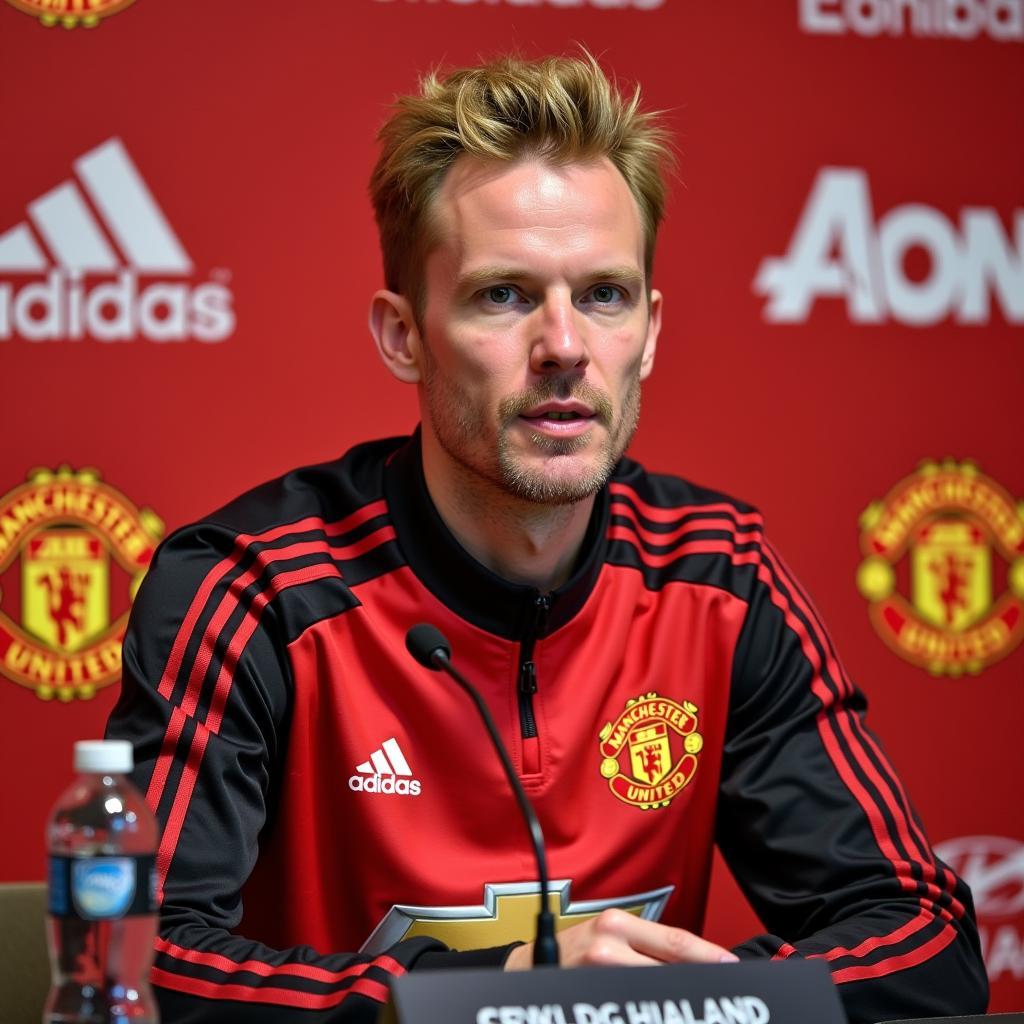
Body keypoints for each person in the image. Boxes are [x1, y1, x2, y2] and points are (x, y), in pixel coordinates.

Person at [106, 52, 988, 1024]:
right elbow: (134, 960)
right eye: (504, 295)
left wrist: (701, 1003)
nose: (564, 345)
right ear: (404, 334)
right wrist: (478, 1002)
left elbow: (924, 940)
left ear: (648, 331)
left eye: (603, 295)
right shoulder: (254, 590)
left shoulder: (717, 575)